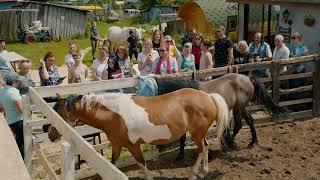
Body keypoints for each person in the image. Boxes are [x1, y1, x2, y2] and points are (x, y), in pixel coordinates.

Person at [0, 72, 24, 159]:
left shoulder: (2, 91)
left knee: (17, 141)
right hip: (19, 121)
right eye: (18, 81)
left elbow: (1, 107)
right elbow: (21, 110)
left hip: (9, 121)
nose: (19, 83)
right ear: (15, 82)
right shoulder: (14, 93)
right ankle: (23, 161)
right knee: (22, 143)